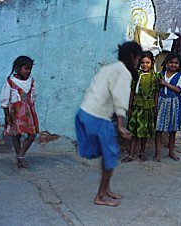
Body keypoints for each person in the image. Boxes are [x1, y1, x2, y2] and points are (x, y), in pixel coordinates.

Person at [74, 41, 142, 207]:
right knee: (111, 154)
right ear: (133, 57)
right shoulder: (123, 72)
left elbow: (93, 88)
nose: (138, 63)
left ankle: (106, 190)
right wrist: (120, 125)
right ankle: (101, 196)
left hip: (84, 113)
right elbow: (120, 98)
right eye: (139, 58)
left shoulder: (108, 68)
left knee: (107, 154)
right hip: (97, 117)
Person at [121, 51, 162, 163]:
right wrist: (130, 107)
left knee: (144, 132)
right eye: (142, 62)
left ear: (152, 63)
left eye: (148, 62)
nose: (145, 65)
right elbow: (133, 91)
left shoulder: (156, 76)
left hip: (148, 107)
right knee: (134, 132)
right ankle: (131, 154)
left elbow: (156, 93)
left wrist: (155, 107)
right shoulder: (136, 75)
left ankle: (142, 152)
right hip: (137, 107)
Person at [0, 56, 39, 169]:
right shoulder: (11, 82)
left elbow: (34, 95)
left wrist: (29, 108)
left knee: (32, 134)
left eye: (30, 69)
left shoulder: (31, 81)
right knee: (16, 135)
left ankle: (20, 156)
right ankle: (20, 158)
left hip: (28, 112)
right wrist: (6, 116)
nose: (28, 71)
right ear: (17, 69)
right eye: (25, 68)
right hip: (15, 113)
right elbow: (5, 101)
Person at [154, 52, 181, 162]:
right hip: (162, 102)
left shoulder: (180, 76)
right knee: (159, 129)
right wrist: (155, 105)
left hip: (174, 103)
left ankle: (171, 151)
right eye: (171, 62)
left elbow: (178, 90)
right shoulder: (160, 74)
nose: (173, 65)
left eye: (176, 63)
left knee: (172, 130)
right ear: (166, 63)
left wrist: (166, 84)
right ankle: (157, 153)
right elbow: (157, 91)